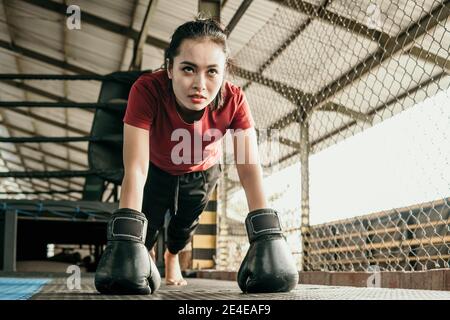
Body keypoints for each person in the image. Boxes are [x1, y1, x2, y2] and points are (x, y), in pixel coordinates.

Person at [95, 17, 298, 294]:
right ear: (170, 68)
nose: (200, 84)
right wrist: (127, 243)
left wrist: (267, 235)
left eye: (212, 71)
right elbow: (135, 168)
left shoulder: (234, 99)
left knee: (185, 225)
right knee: (148, 224)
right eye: (188, 69)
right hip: (155, 167)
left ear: (223, 73)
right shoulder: (146, 90)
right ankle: (149, 253)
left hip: (202, 171)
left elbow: (249, 167)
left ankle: (172, 256)